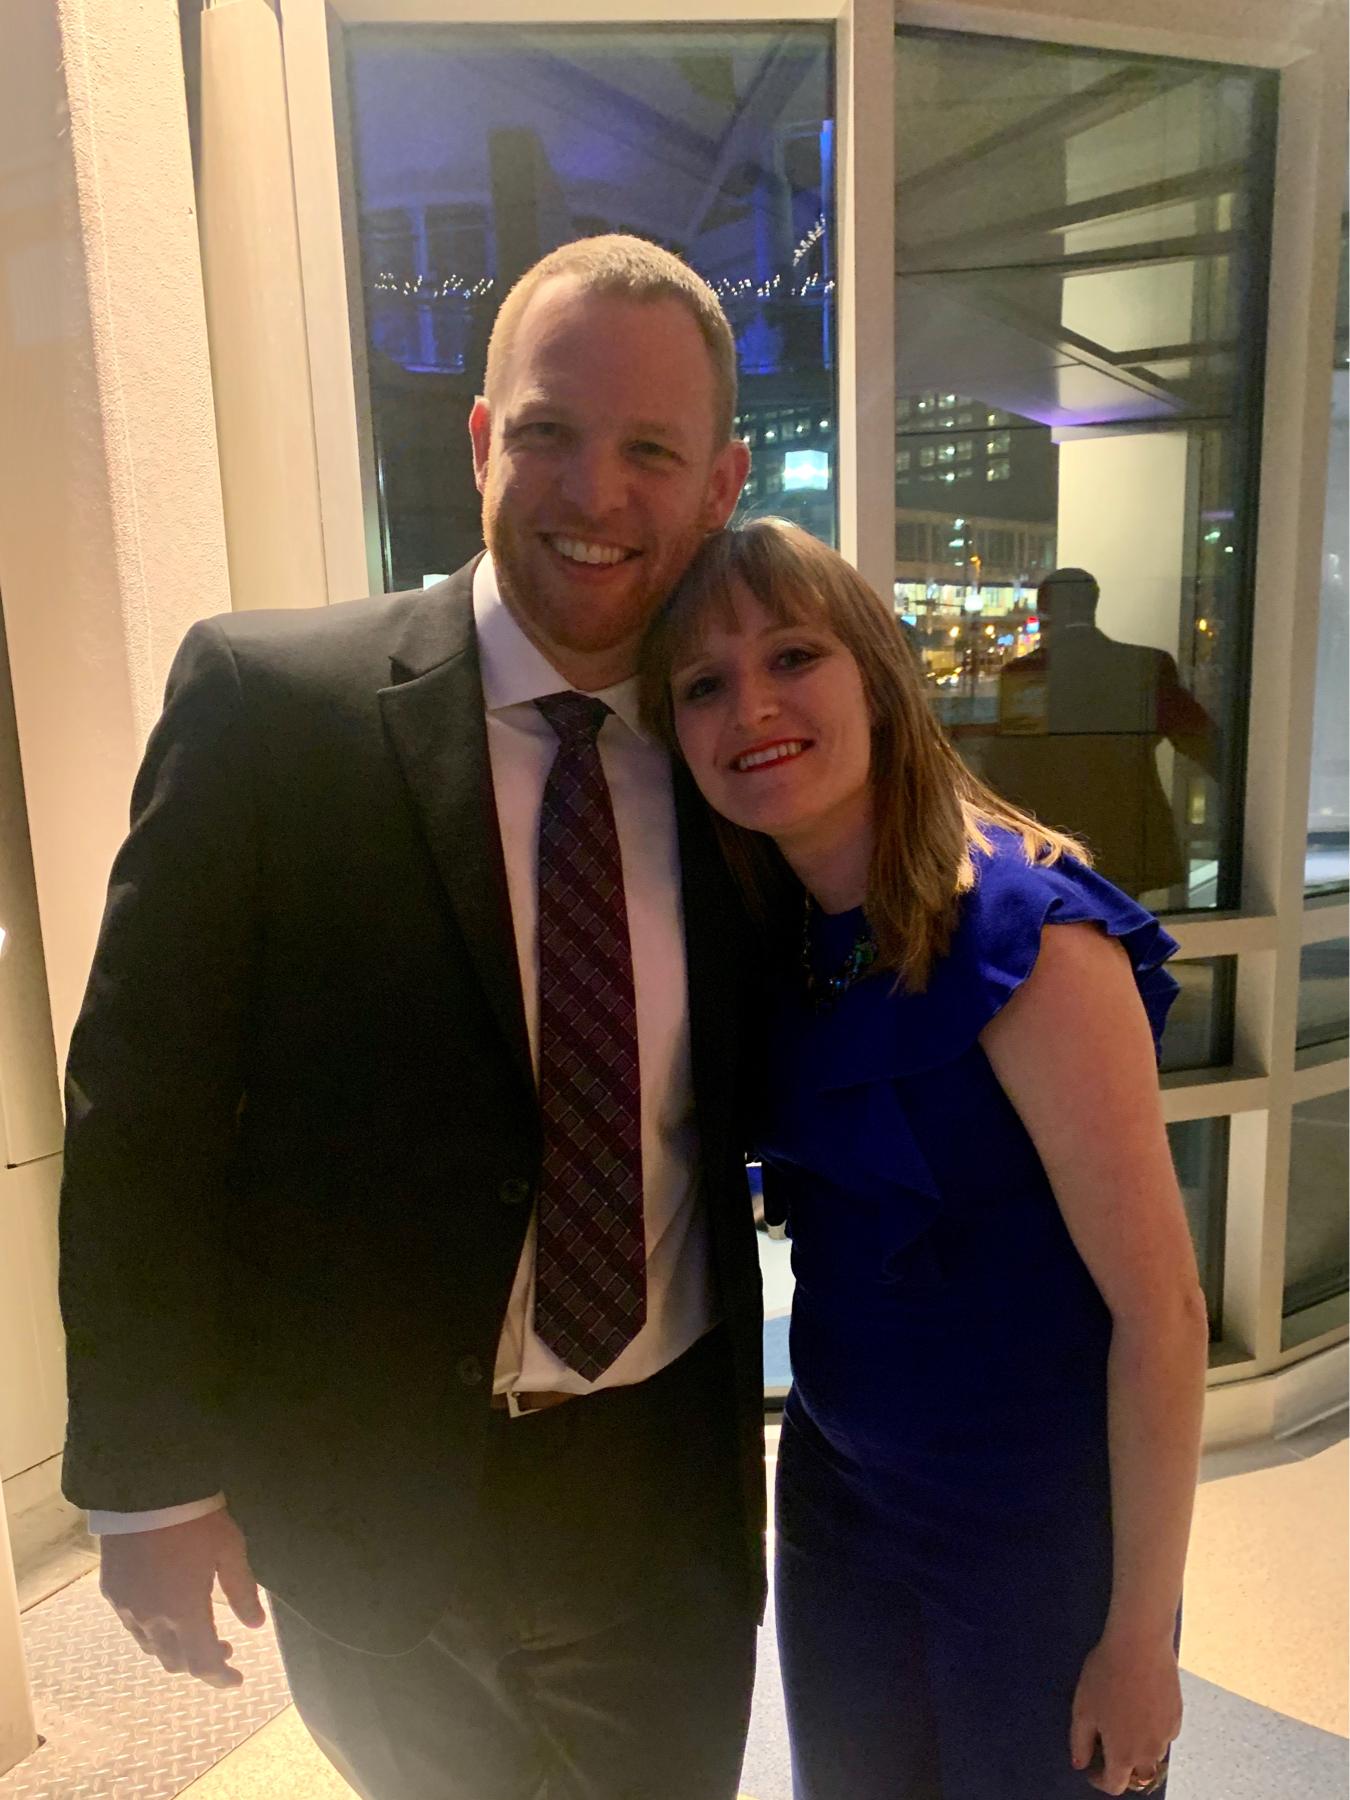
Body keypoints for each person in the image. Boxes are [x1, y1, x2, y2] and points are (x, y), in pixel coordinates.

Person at [58, 235, 765, 1800]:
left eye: (650, 450)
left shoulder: (744, 757)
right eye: (549, 433)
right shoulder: (269, 705)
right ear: (477, 438)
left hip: (659, 1489)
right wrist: (146, 1485)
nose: (595, 493)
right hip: (366, 1492)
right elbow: (140, 1111)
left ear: (719, 485)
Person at [639, 518, 1210, 1800]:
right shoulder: (785, 944)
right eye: (704, 685)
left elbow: (1163, 1314)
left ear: (880, 681)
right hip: (841, 1502)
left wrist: (1139, 1635)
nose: (754, 707)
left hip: (1035, 1531)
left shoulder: (1030, 935)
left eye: (794, 655)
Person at [975, 565, 1221, 899]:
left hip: (1049, 841)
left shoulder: (1026, 674)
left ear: (1043, 611)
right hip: (1127, 839)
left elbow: (1007, 765)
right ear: (1094, 605)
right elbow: (1201, 741)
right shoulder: (1145, 666)